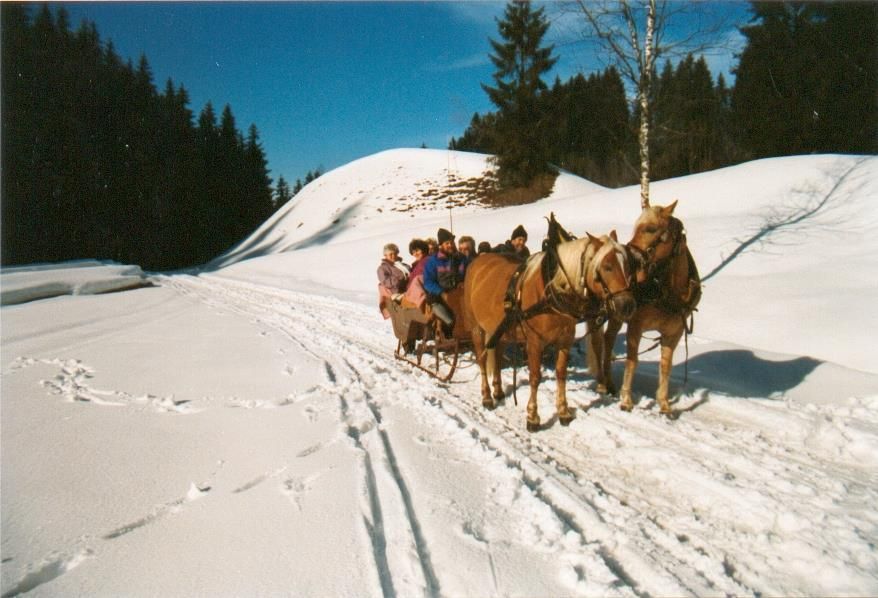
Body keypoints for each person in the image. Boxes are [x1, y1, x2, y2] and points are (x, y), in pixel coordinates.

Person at [423, 228, 467, 330]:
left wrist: (463, 282)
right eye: (447, 243)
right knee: (432, 300)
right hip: (441, 294)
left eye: (452, 242)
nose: (450, 245)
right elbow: (428, 282)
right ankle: (449, 323)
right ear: (441, 245)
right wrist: (441, 292)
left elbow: (467, 273)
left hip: (460, 291)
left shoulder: (461, 258)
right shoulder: (433, 261)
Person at [377, 243, 410, 319]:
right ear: (385, 255)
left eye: (395, 253)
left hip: (408, 289)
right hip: (396, 292)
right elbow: (386, 282)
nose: (393, 256)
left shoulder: (404, 265)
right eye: (390, 254)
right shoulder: (382, 268)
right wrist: (400, 278)